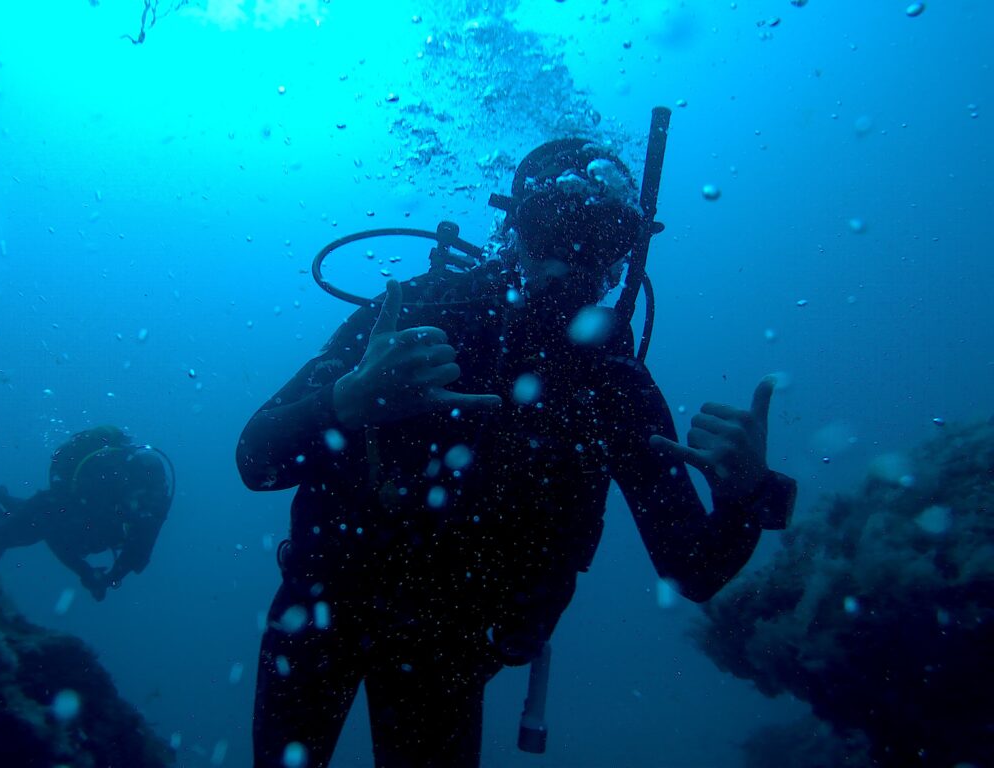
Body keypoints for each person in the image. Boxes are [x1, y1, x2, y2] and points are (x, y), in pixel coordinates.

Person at [237, 137, 797, 767]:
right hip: (321, 612)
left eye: (601, 235)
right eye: (553, 225)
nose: (572, 256)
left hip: (450, 655)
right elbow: (257, 460)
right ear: (515, 228)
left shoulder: (610, 382)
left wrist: (744, 495)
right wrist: (344, 401)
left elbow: (693, 569)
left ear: (625, 255)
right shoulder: (420, 313)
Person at [0, 426, 174, 600]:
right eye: (141, 496)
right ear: (130, 485)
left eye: (152, 497)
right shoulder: (103, 490)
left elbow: (137, 555)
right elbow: (54, 531)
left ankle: (3, 501)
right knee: (1, 537)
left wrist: (107, 579)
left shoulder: (151, 509)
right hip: (54, 511)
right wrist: (85, 571)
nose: (144, 507)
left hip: (73, 522)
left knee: (28, 527)